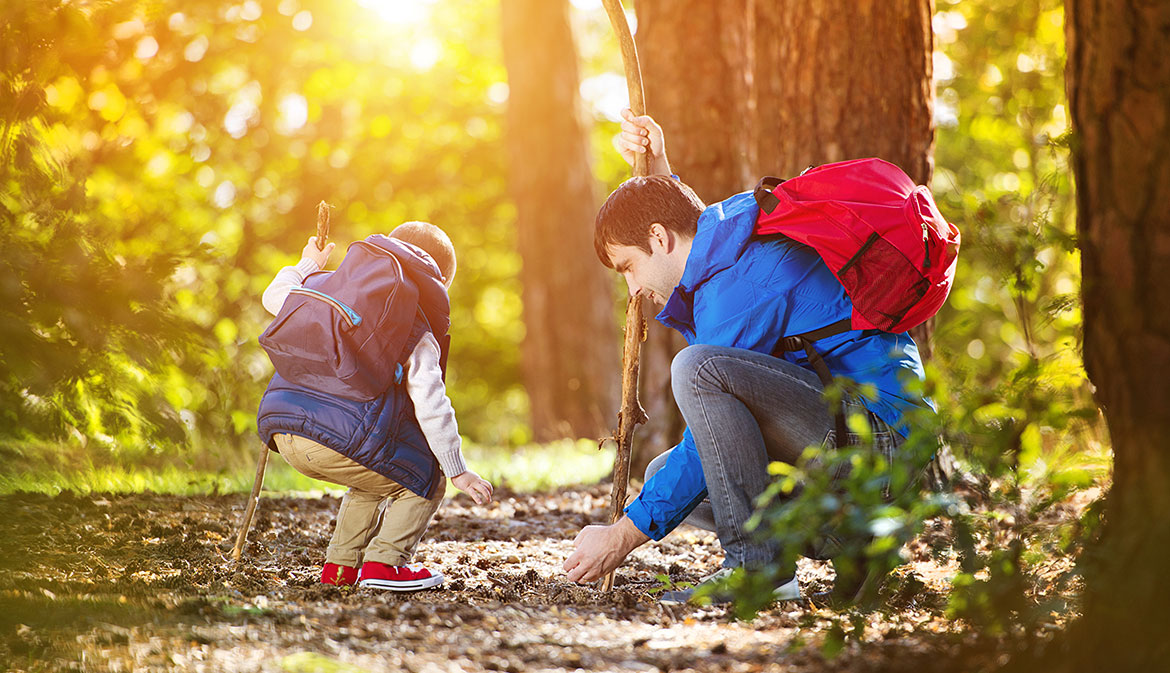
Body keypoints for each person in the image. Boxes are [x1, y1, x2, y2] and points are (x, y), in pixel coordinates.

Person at [562, 110, 932, 603]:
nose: (633, 288)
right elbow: (682, 222)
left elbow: (711, 386)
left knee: (698, 370)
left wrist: (621, 537)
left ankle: (758, 570)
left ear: (657, 238)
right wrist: (658, 169)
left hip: (885, 450)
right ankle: (855, 544)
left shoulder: (738, 286)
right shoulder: (730, 237)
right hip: (860, 440)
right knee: (663, 474)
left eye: (628, 267)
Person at [257, 221, 492, 592]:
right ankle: (385, 564)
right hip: (333, 440)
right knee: (424, 480)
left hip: (282, 429)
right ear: (440, 282)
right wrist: (456, 468)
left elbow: (275, 296)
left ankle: (340, 569)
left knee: (373, 481)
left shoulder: (329, 286)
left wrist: (307, 264)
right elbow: (433, 402)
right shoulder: (414, 323)